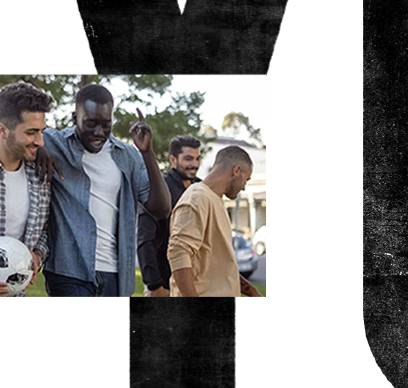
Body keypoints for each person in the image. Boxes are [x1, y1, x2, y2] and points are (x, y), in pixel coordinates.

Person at [39, 84, 171, 297]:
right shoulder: (55, 143)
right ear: (75, 118)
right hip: (69, 272)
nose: (99, 133)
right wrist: (39, 146)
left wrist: (147, 153)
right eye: (90, 124)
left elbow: (162, 209)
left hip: (115, 274)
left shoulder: (128, 156)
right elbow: (10, 138)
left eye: (106, 125)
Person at [0, 82, 55, 296]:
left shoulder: (41, 177)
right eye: (32, 132)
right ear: (2, 130)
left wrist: (38, 255)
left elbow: (44, 231)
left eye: (42, 131)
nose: (41, 141)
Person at [168, 145, 261, 297]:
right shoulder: (197, 198)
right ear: (236, 171)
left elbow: (220, 265)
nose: (244, 187)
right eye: (246, 179)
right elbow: (178, 252)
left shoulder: (214, 199)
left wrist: (250, 291)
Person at [137, 135, 202, 297]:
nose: (194, 164)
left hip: (195, 284)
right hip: (164, 285)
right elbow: (145, 240)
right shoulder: (159, 189)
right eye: (188, 159)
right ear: (173, 160)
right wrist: (154, 286)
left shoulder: (201, 188)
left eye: (197, 159)